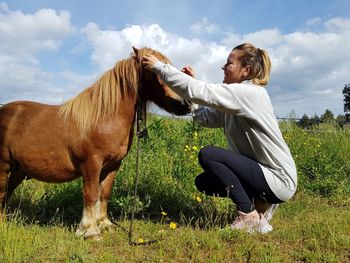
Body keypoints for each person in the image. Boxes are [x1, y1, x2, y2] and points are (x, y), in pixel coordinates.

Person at [142, 43, 297, 233]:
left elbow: (203, 91)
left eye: (229, 63)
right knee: (205, 182)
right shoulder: (237, 99)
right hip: (263, 175)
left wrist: (159, 67)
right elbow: (205, 117)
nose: (223, 67)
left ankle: (248, 215)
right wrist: (190, 94)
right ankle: (258, 214)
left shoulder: (250, 93)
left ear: (245, 70)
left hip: (279, 179)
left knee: (209, 154)